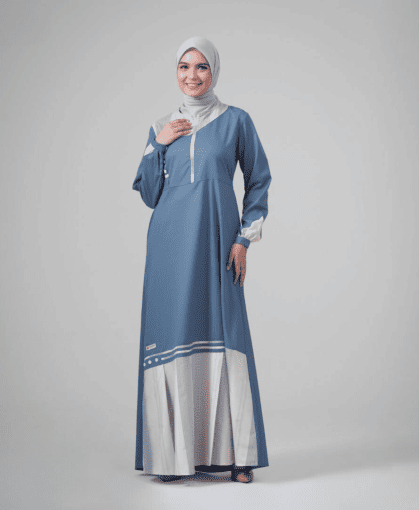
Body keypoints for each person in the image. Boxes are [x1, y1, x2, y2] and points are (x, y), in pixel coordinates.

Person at [132, 36, 271, 484]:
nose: (192, 75)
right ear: (176, 72)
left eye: (201, 67)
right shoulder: (161, 126)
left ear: (214, 71)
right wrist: (158, 144)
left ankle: (238, 455)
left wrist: (244, 238)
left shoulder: (236, 121)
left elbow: (259, 180)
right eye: (184, 67)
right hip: (169, 248)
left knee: (225, 333)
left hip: (216, 242)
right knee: (173, 334)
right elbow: (150, 194)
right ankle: (171, 457)